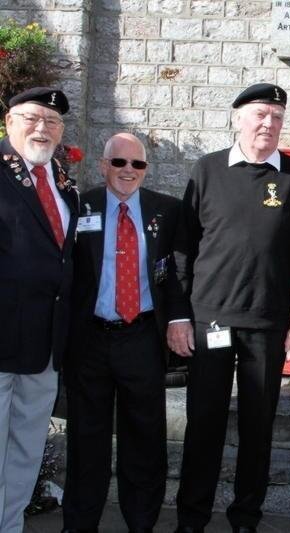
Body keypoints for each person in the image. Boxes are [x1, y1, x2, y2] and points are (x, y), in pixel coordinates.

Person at [170, 83, 290, 533]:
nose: (268, 124)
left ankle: (246, 519)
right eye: (260, 114)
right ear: (237, 118)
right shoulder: (207, 169)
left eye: (277, 116)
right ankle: (191, 519)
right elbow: (183, 250)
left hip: (267, 324)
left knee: (258, 427)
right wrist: (179, 315)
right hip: (210, 320)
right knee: (204, 424)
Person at [60, 133, 187, 532]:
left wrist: (179, 319)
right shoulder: (80, 206)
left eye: (138, 164)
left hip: (142, 338)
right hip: (90, 341)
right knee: (86, 440)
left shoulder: (168, 211)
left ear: (146, 170)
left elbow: (178, 272)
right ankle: (79, 525)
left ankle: (141, 524)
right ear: (103, 166)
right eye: (119, 162)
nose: (128, 170)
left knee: (145, 440)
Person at [0, 87, 77, 532]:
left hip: (45, 347)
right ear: (9, 122)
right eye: (32, 118)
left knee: (26, 453)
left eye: (52, 122)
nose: (42, 128)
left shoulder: (62, 183)